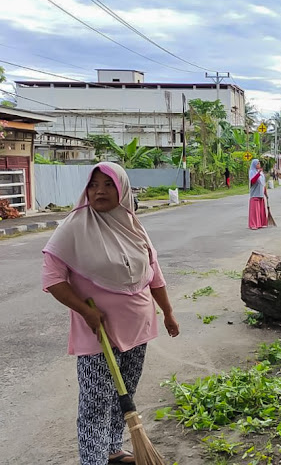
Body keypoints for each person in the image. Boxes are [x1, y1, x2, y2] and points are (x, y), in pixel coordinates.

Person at [41, 162, 180, 465]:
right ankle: (93, 459)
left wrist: (167, 312)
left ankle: (113, 449)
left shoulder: (133, 225)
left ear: (123, 190)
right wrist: (85, 312)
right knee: (95, 401)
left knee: (125, 393)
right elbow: (52, 279)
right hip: (98, 332)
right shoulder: (74, 226)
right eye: (93, 185)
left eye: (108, 184)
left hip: (138, 327)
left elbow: (154, 274)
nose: (99, 191)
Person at [249, 159, 268, 230]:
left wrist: (265, 193)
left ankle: (261, 223)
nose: (259, 165)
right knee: (255, 211)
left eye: (259, 163)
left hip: (261, 194)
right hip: (254, 194)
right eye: (257, 164)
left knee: (261, 210)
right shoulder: (252, 172)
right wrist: (258, 174)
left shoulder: (261, 173)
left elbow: (263, 183)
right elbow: (253, 181)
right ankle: (253, 224)